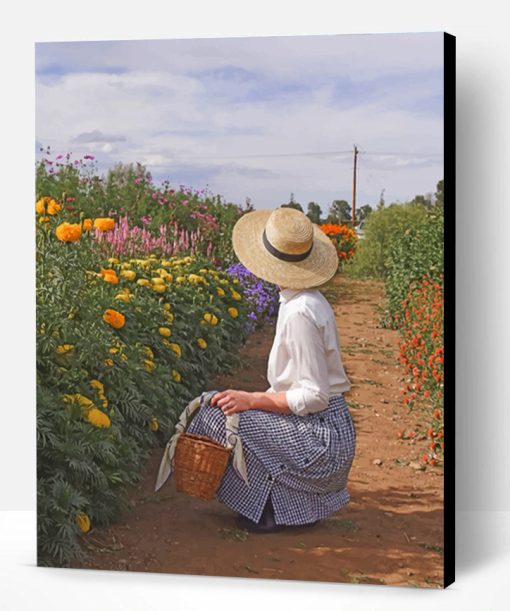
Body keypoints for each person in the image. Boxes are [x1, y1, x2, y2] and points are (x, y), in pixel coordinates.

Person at [186, 206, 356, 533]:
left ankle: (265, 507)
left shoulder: (299, 313)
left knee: (213, 415)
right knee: (225, 406)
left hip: (322, 440)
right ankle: (282, 507)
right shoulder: (304, 300)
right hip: (326, 428)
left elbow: (315, 396)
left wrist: (251, 400)